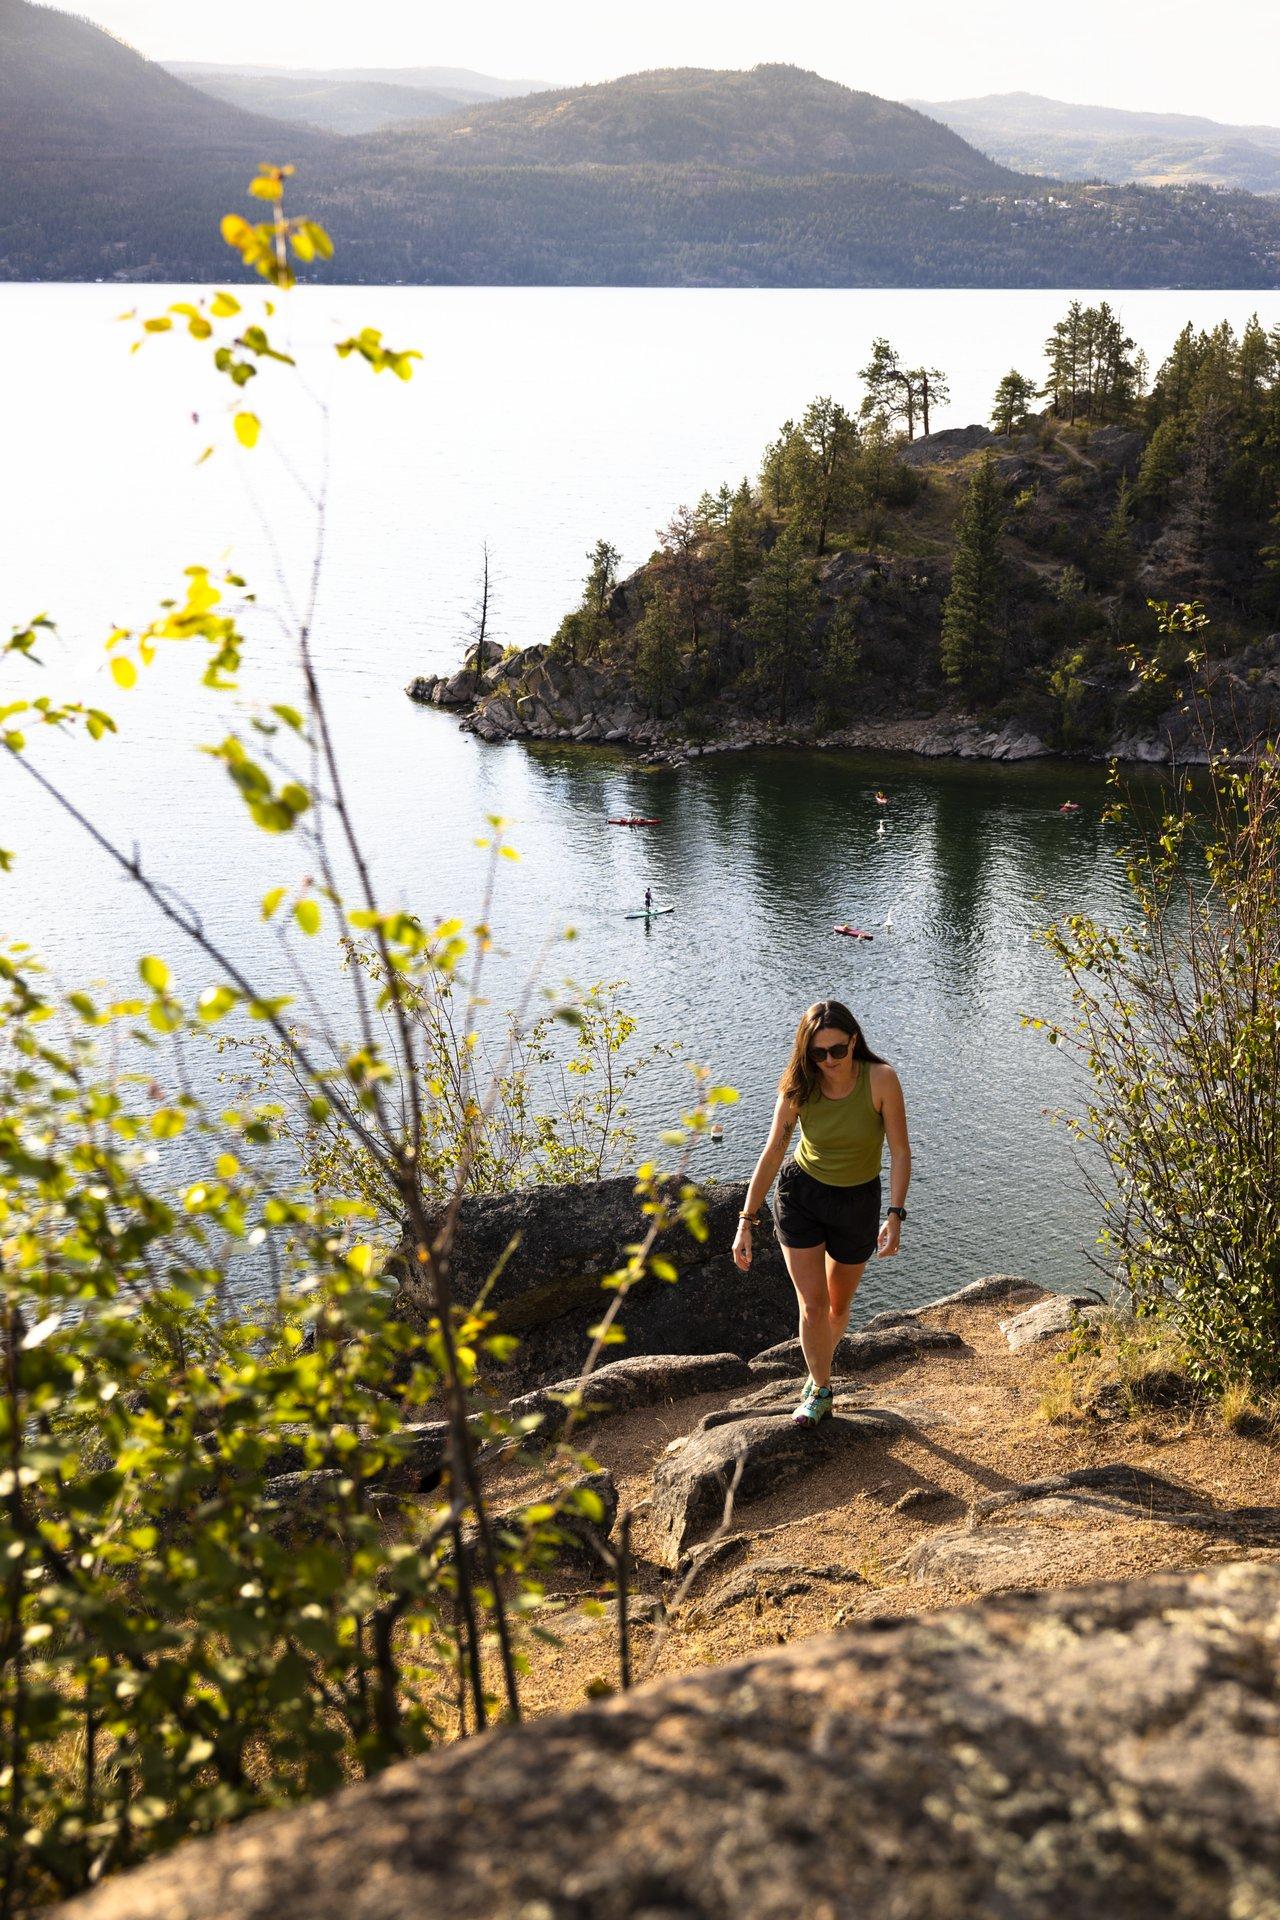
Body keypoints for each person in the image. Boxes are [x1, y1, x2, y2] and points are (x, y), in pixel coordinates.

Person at [732, 1000, 911, 1427]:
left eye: (837, 1050)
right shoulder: (798, 1087)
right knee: (813, 1305)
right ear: (806, 1052)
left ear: (854, 1041)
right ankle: (821, 1389)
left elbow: (900, 1150)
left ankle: (817, 1378)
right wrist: (745, 1221)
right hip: (802, 1195)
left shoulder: (881, 1079)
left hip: (857, 1201)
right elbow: (774, 1151)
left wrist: (895, 1215)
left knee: (837, 1305)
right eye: (818, 1053)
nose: (829, 1061)